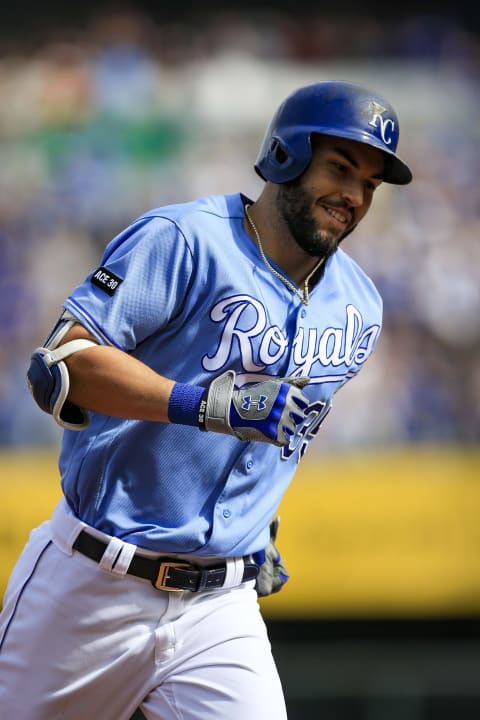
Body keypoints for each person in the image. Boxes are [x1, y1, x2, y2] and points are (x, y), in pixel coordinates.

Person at [0, 80, 412, 720]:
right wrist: (206, 404)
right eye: (339, 168)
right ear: (286, 156)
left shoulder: (360, 306)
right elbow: (61, 366)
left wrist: (256, 519)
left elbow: (280, 435)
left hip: (221, 606)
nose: (354, 197)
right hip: (92, 585)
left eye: (369, 184)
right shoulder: (185, 238)